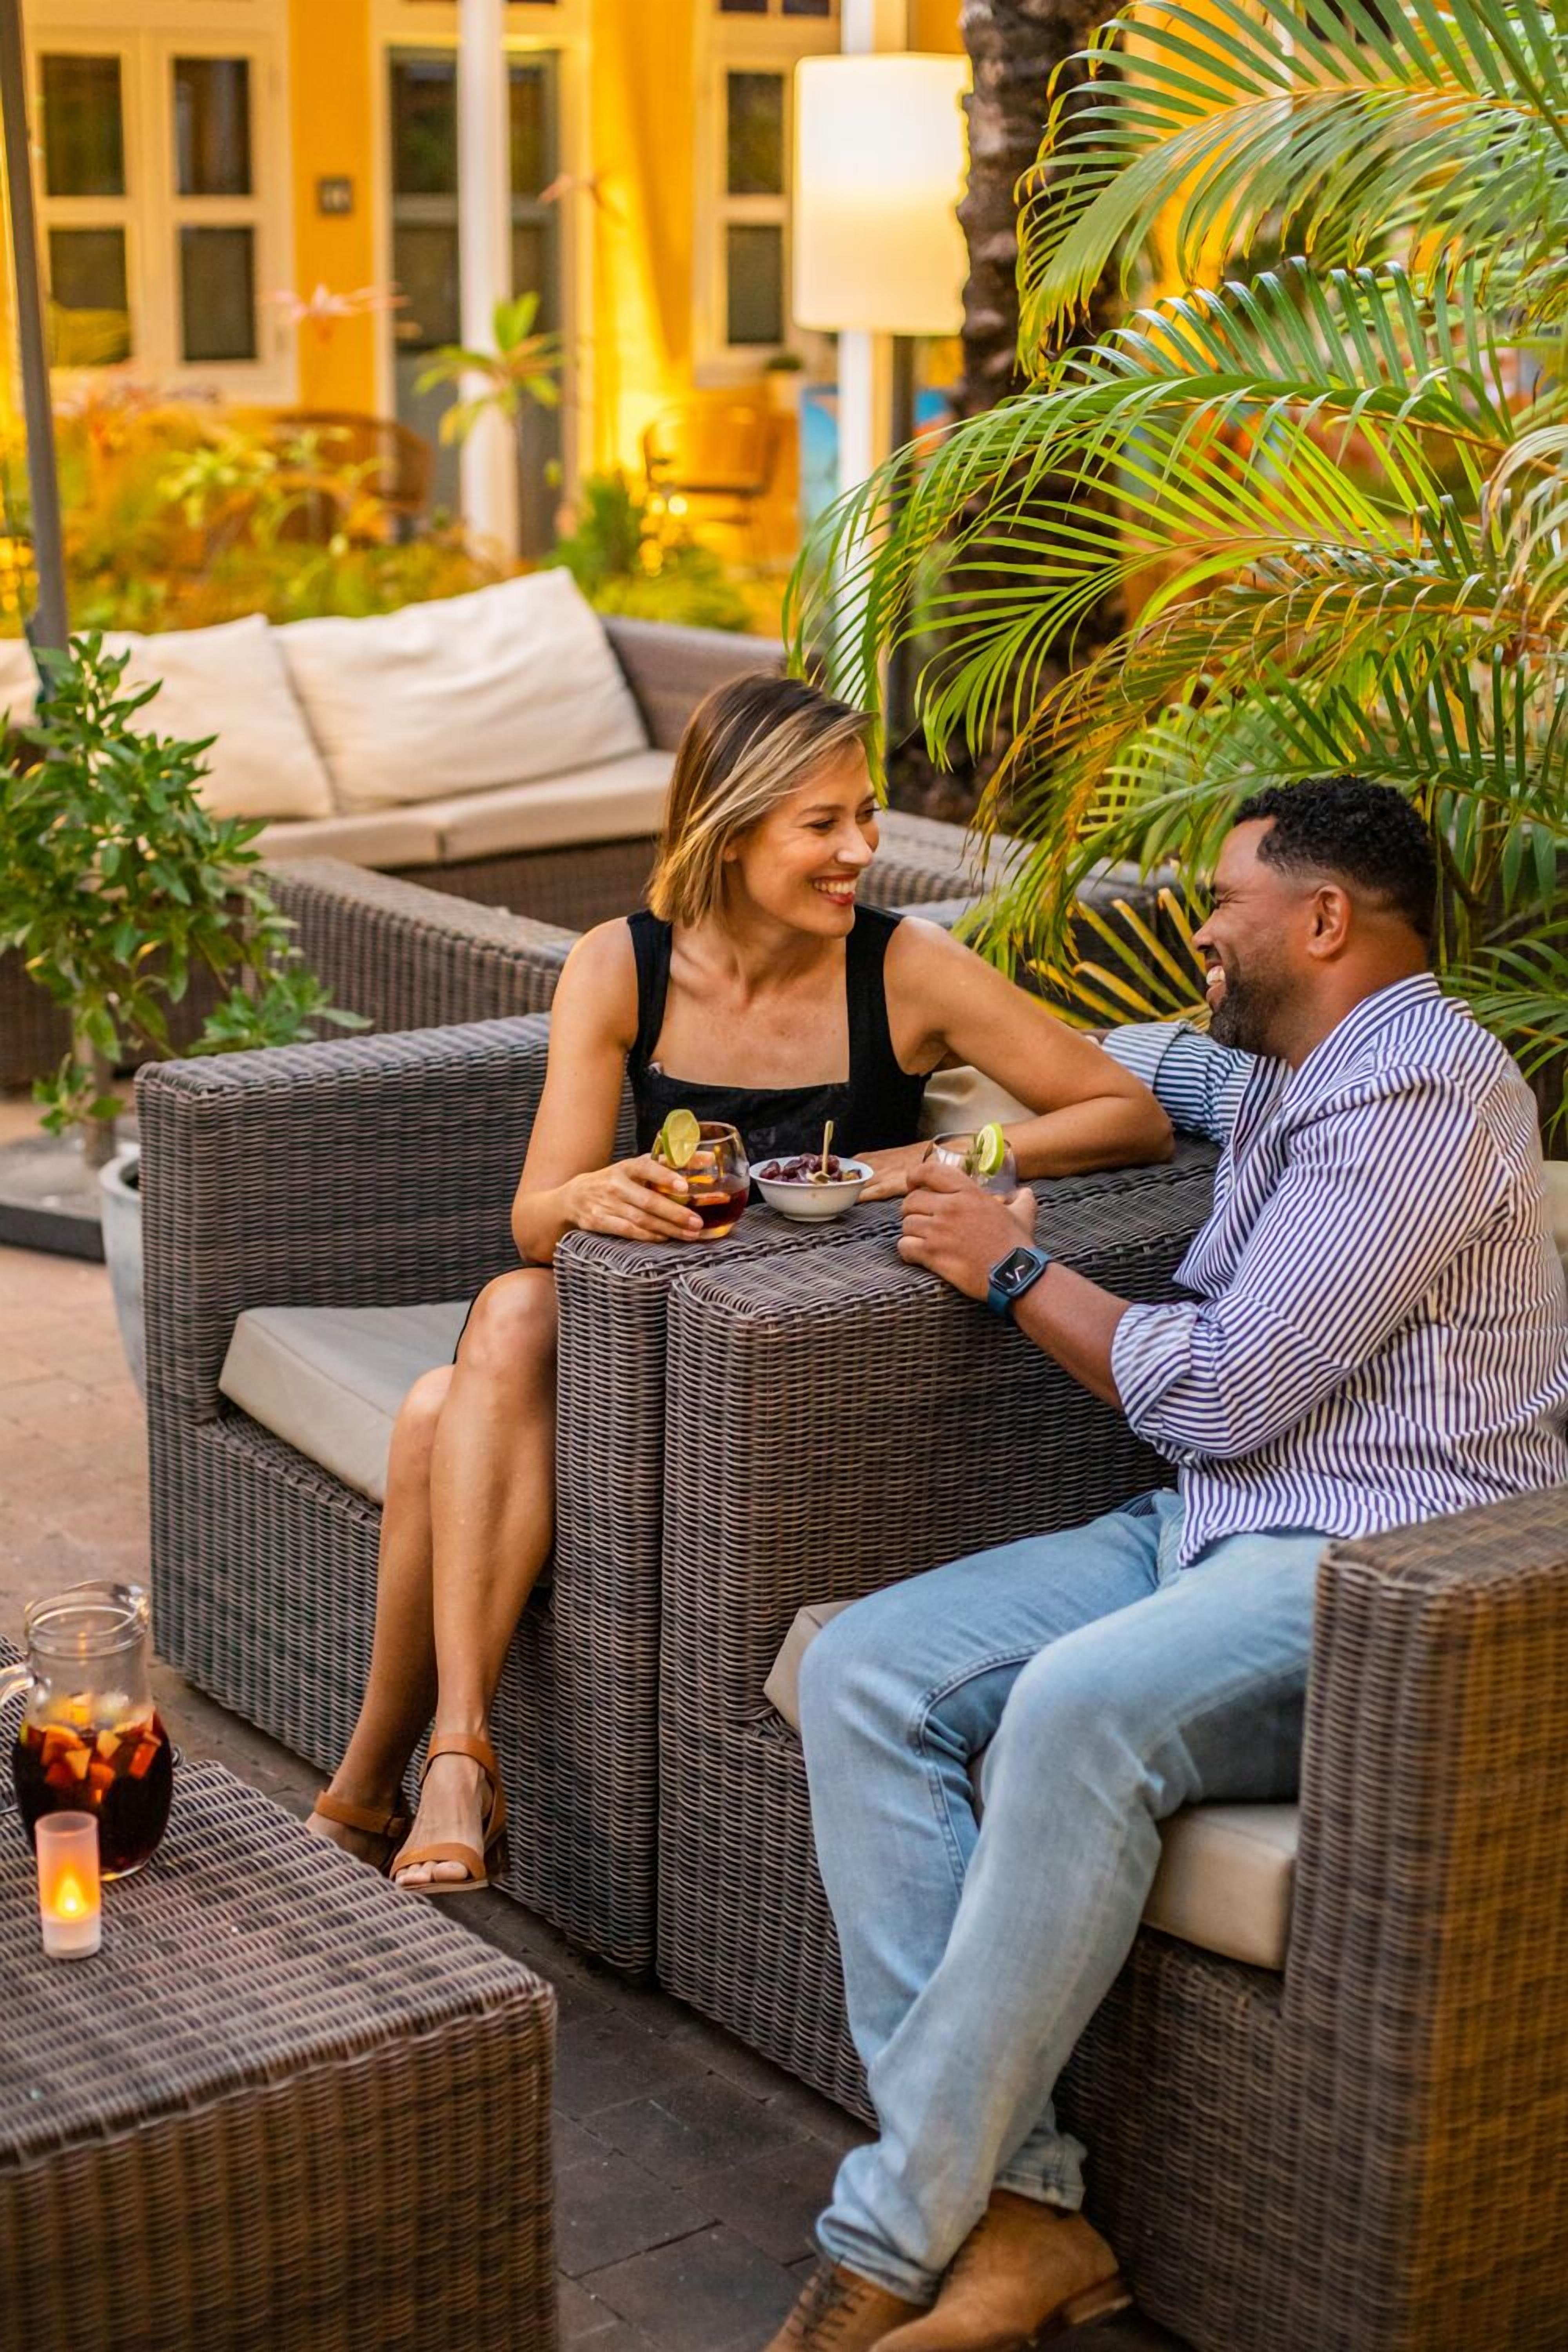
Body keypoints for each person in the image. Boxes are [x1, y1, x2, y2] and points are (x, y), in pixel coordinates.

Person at [769, 775, 1568, 2350]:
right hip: (1207, 1528)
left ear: (1325, 921)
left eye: (1224, 904)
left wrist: (1009, 1268)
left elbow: (1221, 1390)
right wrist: (905, 1113)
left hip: (1384, 1573)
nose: (1198, 930)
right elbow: (1119, 1068)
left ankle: (880, 2242)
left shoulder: (1421, 1089)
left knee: (1073, 1708)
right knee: (863, 1670)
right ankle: (1021, 2213)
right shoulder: (1280, 1067)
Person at [306, 673, 1171, 1893]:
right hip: (647, 1336)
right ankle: (451, 1757)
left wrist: (896, 1165)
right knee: (505, 1308)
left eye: (864, 817)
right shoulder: (625, 967)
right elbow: (534, 1219)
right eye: (824, 824)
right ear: (731, 820)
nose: (861, 850)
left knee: (435, 1417)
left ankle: (380, 1787)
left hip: (796, 1357)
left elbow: (1123, 1113)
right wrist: (594, 1196)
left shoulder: (903, 967)